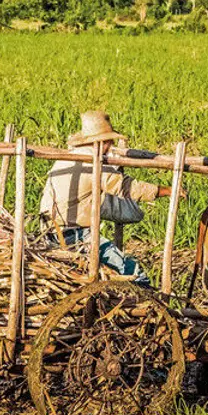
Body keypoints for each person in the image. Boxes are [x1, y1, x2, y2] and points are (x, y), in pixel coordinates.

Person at [39, 111, 175, 286]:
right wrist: (167, 190)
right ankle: (144, 302)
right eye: (109, 141)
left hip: (49, 231)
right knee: (134, 273)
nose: (110, 145)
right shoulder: (92, 163)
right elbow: (127, 187)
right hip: (74, 234)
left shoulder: (67, 158)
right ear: (100, 142)